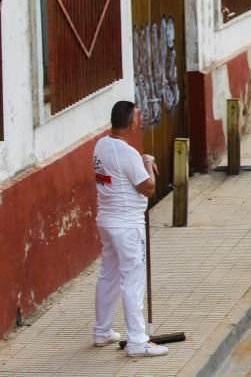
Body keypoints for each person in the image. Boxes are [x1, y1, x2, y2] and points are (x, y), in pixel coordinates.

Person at [92, 101, 167, 357]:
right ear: (133, 123)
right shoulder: (128, 153)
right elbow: (148, 187)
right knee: (132, 279)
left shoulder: (100, 145)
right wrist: (147, 162)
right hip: (127, 223)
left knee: (109, 275)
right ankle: (137, 340)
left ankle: (102, 331)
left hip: (107, 220)